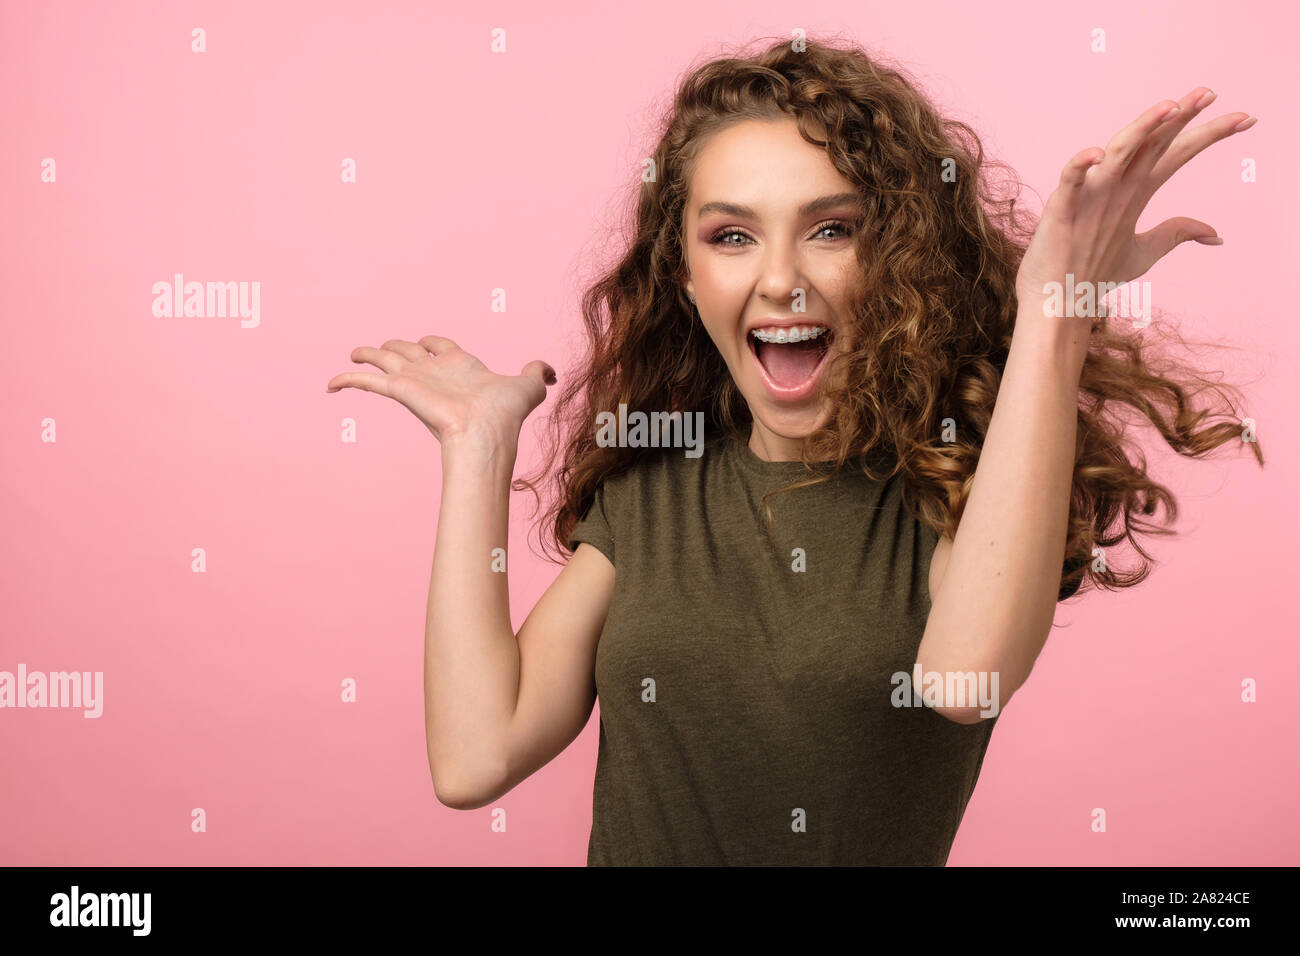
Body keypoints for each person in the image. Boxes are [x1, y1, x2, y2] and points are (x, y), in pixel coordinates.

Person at [325, 37, 1262, 865]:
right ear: (686, 278)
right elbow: (475, 756)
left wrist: (1057, 306)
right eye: (731, 236)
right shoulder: (655, 493)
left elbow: (962, 678)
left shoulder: (965, 491)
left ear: (902, 257)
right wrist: (478, 449)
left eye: (832, 230)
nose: (779, 279)